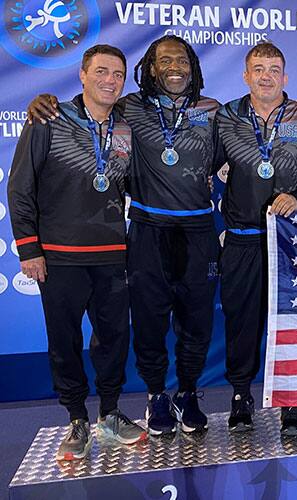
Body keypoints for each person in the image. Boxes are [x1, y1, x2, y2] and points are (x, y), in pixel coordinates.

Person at [27, 35, 224, 435]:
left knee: (198, 321)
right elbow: (90, 106)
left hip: (199, 231)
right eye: (165, 60)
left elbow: (243, 134)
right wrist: (42, 100)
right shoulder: (128, 107)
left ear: (193, 67)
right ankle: (156, 396)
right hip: (148, 230)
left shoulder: (213, 110)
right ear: (150, 68)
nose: (175, 67)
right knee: (149, 321)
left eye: (182, 60)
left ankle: (188, 392)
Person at [8, 44, 145, 461]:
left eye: (117, 74)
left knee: (114, 339)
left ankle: (109, 412)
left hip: (112, 254)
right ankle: (76, 418)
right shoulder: (49, 118)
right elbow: (20, 187)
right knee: (63, 340)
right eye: (101, 71)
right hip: (59, 255)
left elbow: (131, 184)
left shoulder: (126, 127)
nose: (110, 80)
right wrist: (29, 247)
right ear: (82, 75)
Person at [214, 42, 297, 435]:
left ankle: (292, 400)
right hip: (242, 239)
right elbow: (203, 167)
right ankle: (241, 396)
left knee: (292, 322)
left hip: (291, 239)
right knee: (241, 321)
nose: (266, 76)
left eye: (274, 69)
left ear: (285, 77)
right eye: (258, 69)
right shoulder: (225, 117)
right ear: (246, 76)